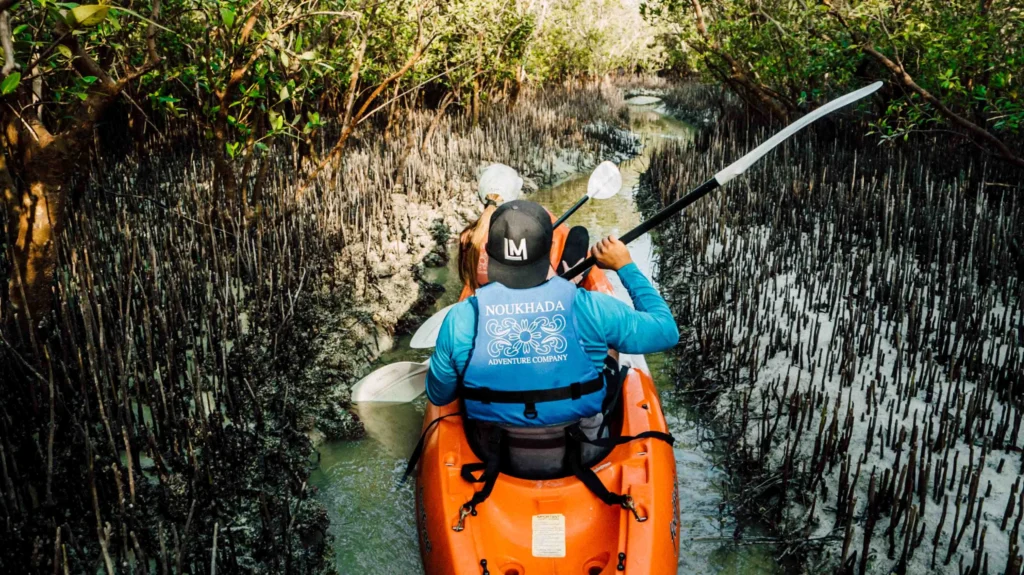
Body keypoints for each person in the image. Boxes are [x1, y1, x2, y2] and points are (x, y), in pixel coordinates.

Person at [427, 200, 678, 483]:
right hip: (585, 450)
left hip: (494, 453)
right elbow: (666, 331)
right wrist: (625, 266)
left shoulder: (460, 318)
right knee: (609, 347)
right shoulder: (592, 307)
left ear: (490, 253)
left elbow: (440, 395)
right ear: (548, 252)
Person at [458, 165, 613, 299]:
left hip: (492, 305)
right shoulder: (541, 221)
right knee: (578, 237)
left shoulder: (469, 235)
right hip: (538, 301)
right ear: (516, 197)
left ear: (481, 196)